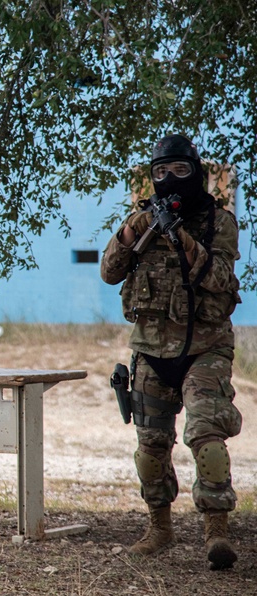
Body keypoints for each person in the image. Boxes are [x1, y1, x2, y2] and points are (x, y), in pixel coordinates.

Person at [101, 133, 243, 570]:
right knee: (150, 447)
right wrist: (133, 231)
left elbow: (219, 276)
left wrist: (181, 238)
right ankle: (159, 529)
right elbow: (109, 272)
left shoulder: (218, 222)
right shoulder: (141, 221)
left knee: (206, 436)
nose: (170, 180)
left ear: (196, 174)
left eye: (180, 172)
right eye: (161, 173)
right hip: (151, 350)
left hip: (205, 349)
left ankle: (216, 533)